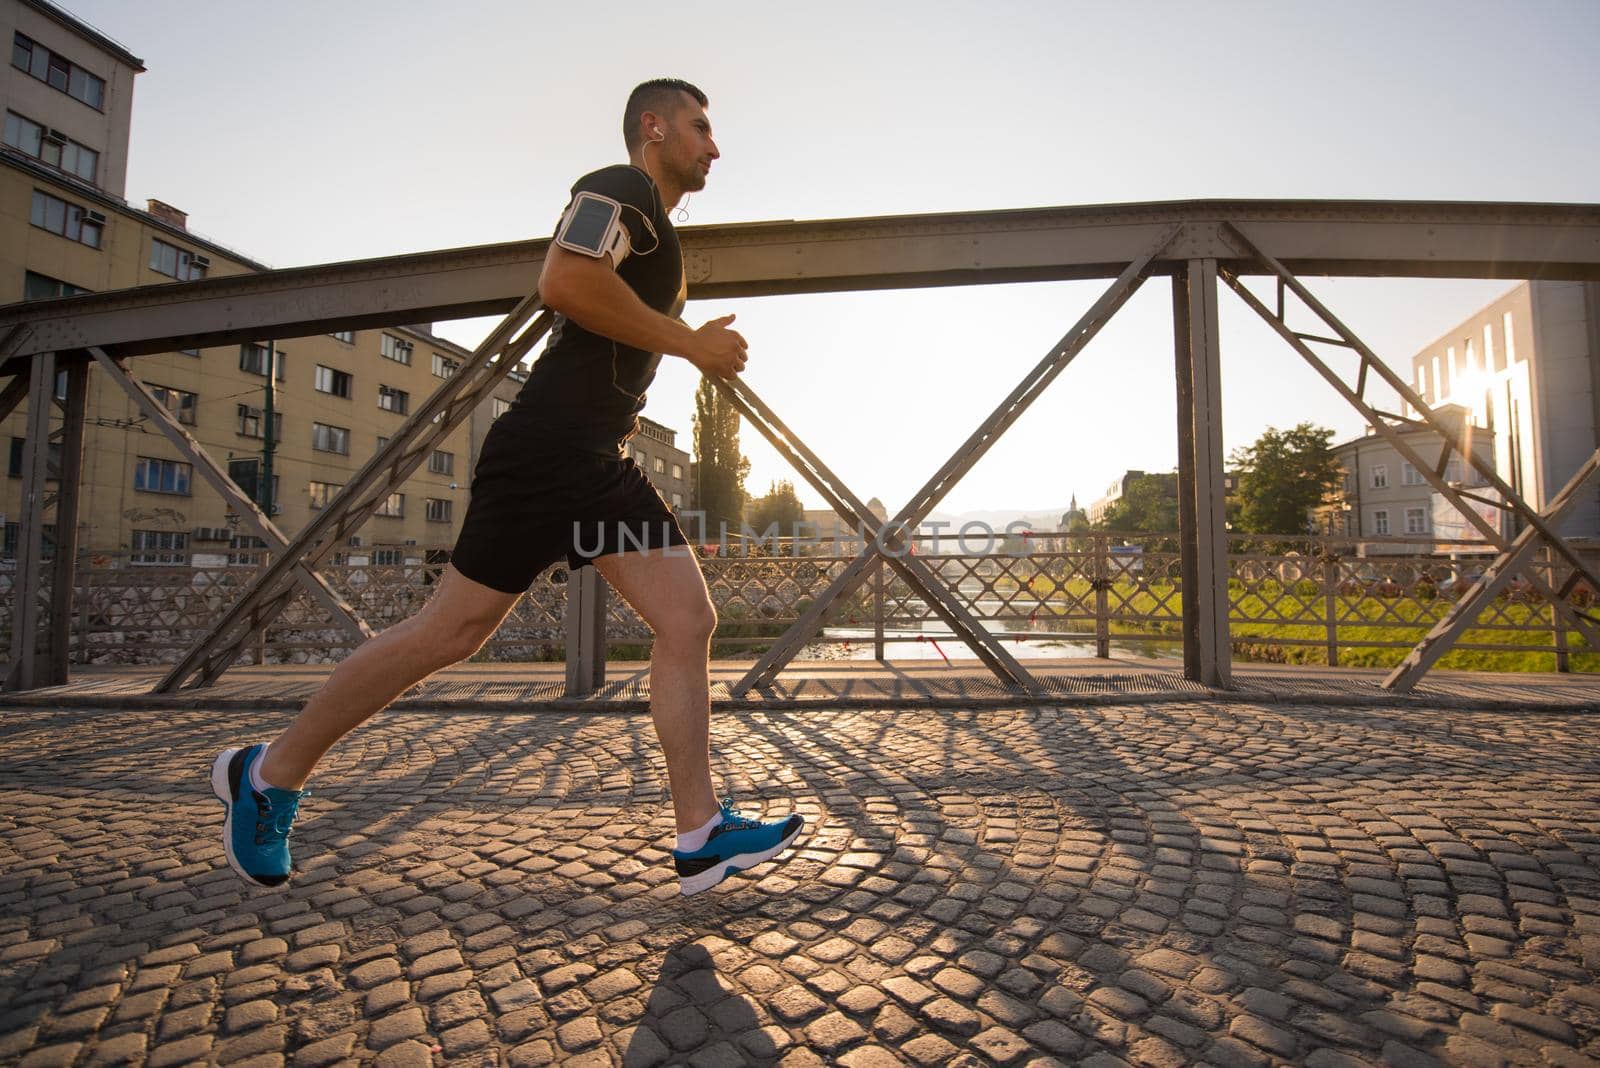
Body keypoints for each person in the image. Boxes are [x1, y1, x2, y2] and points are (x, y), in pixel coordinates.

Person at [211, 78, 804, 898]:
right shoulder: (619, 188)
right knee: (449, 633)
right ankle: (269, 773)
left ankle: (700, 832)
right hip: (543, 453)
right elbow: (564, 282)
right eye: (700, 127)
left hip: (601, 461)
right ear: (653, 127)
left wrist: (677, 343)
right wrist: (688, 345)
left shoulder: (656, 228)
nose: (714, 145)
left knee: (687, 617)